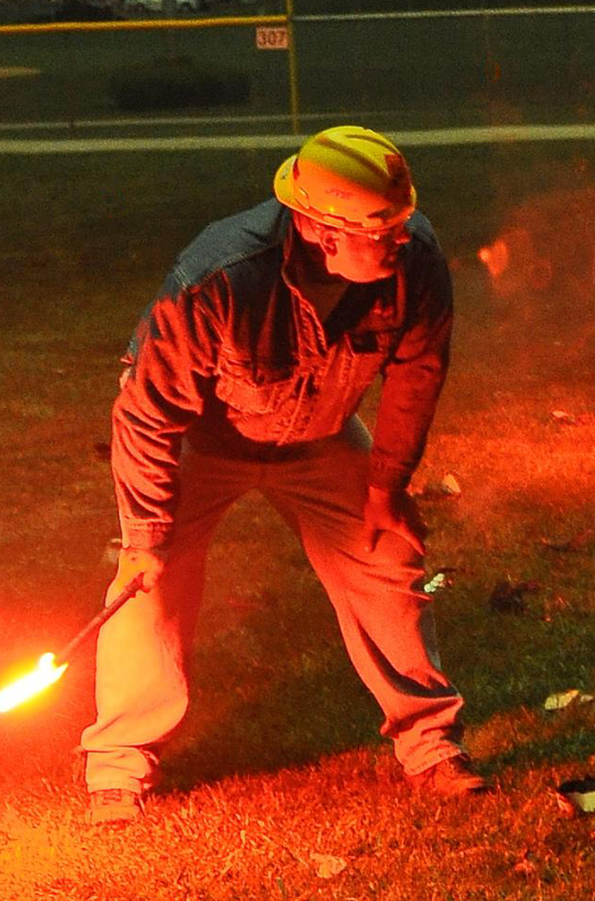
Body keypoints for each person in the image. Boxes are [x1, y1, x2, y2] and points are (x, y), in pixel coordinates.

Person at [80, 125, 484, 826]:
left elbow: (420, 369)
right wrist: (145, 535)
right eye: (380, 231)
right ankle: (118, 765)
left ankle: (431, 744)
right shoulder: (221, 277)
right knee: (147, 586)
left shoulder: (414, 257)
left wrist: (386, 488)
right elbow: (146, 415)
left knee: (387, 556)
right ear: (321, 231)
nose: (400, 238)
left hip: (321, 433)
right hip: (204, 435)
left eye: (398, 222)